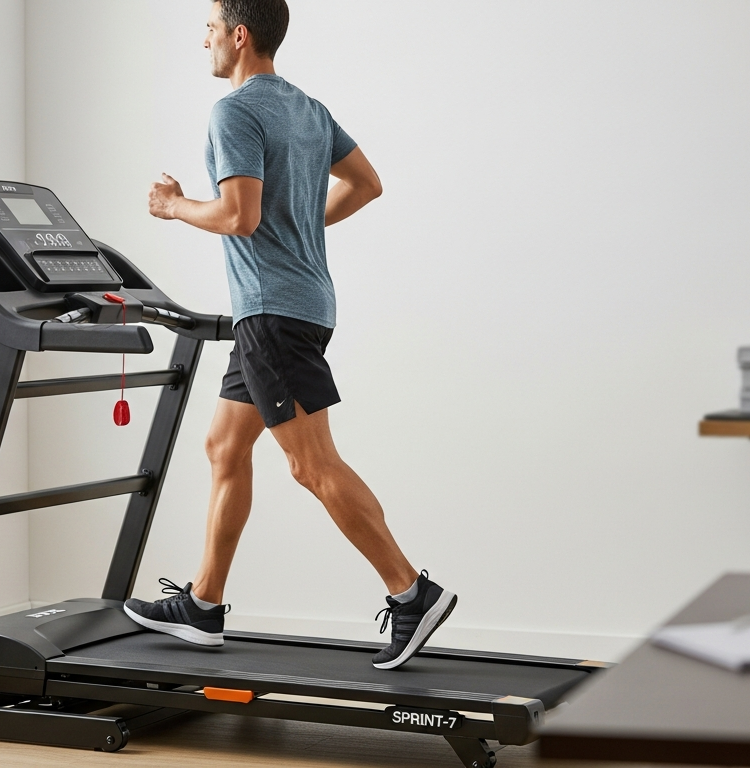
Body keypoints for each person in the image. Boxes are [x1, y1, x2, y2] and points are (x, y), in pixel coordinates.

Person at [123, 0, 455, 670]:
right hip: (294, 308)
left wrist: (174, 206)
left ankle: (411, 592)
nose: (205, 42)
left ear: (239, 35)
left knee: (311, 464)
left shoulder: (234, 112)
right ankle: (204, 603)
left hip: (273, 313)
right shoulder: (307, 108)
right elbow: (366, 184)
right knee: (224, 447)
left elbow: (239, 217)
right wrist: (298, 223)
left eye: (211, 29)